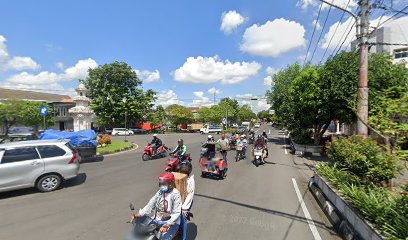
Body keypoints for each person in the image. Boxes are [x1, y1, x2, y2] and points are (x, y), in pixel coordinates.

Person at [138, 173, 182, 240]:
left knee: (163, 238)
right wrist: (140, 214)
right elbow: (151, 203)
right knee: (143, 233)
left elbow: (176, 213)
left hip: (171, 222)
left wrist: (167, 225)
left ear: (170, 184)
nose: (162, 185)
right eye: (161, 183)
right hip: (157, 220)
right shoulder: (160, 192)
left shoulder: (175, 194)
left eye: (164, 183)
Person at [179, 161, 195, 240]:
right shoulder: (178, 177)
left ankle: (183, 238)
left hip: (187, 202)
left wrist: (184, 208)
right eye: (182, 168)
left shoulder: (190, 180)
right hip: (178, 200)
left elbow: (190, 195)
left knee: (182, 219)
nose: (184, 170)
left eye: (186, 168)